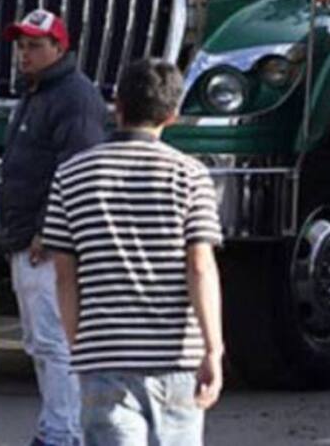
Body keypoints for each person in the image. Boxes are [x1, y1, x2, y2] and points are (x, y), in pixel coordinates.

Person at [42, 58, 224, 446]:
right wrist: (213, 348)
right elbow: (200, 267)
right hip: (176, 359)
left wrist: (81, 347)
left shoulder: (72, 175)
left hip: (104, 358)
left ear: (116, 104)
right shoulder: (191, 176)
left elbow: (64, 276)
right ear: (172, 115)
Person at [0, 9, 109, 446]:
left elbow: (78, 167)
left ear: (59, 49)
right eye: (21, 45)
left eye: (35, 45)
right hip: (27, 237)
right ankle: (55, 428)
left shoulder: (73, 97)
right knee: (40, 342)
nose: (24, 53)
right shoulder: (39, 91)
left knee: (55, 342)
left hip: (48, 246)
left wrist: (52, 228)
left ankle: (64, 433)